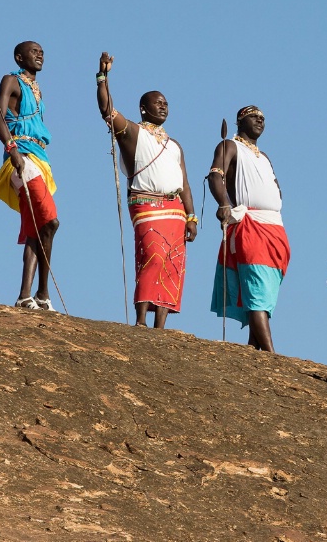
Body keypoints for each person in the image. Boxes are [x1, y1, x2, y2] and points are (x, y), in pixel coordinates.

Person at [95, 53, 198, 327]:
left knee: (172, 264)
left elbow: (184, 183)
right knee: (152, 257)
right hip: (146, 205)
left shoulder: (175, 145)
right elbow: (107, 110)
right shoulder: (132, 133)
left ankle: (160, 327)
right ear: (143, 108)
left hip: (175, 210)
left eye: (166, 103)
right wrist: (102, 77)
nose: (163, 107)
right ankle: (141, 320)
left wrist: (191, 216)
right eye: (158, 102)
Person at [208, 105, 291, 352]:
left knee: (267, 290)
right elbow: (215, 176)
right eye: (254, 117)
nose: (260, 121)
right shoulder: (230, 146)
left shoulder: (264, 157)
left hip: (274, 227)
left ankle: (254, 348)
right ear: (239, 121)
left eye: (263, 118)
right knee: (258, 290)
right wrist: (224, 203)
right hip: (251, 226)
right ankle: (270, 353)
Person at [0, 41, 60, 311]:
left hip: (40, 158)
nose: (40, 54)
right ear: (19, 57)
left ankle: (27, 296)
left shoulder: (38, 89)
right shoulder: (11, 80)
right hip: (21, 157)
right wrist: (12, 150)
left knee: (37, 228)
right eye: (34, 51)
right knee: (51, 222)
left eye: (42, 51)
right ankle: (42, 292)